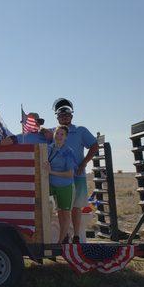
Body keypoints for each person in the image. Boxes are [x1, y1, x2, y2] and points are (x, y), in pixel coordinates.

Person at [45, 98, 98, 243]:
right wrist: (41, 128)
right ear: (57, 117)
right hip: (58, 179)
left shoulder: (81, 131)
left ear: (72, 116)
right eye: (61, 115)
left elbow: (94, 146)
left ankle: (76, 235)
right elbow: (41, 133)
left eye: (67, 115)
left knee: (76, 207)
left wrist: (83, 163)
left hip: (77, 176)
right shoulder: (54, 132)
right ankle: (64, 236)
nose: (64, 117)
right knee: (61, 209)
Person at [42, 125, 76, 243]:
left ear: (66, 137)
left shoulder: (68, 152)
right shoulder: (48, 148)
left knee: (64, 214)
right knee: (51, 213)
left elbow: (70, 174)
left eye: (62, 134)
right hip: (51, 186)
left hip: (65, 187)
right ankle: (48, 240)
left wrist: (52, 172)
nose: (59, 136)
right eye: (57, 133)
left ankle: (60, 242)